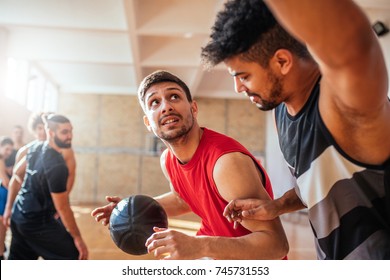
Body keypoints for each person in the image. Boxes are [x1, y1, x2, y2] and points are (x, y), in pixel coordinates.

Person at [201, 0, 390, 259]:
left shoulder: (342, 104)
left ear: (282, 61)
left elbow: (354, 44)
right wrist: (276, 206)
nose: (238, 88)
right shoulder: (282, 111)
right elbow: (317, 185)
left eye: (244, 76)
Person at [91, 70, 288, 260]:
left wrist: (200, 246)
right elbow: (182, 198)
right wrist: (131, 211)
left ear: (193, 108)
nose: (166, 106)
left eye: (174, 97)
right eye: (154, 102)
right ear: (148, 123)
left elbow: (276, 245)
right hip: (215, 253)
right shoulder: (168, 159)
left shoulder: (225, 163)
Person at [3, 114, 88, 260]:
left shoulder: (35, 147)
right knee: (74, 257)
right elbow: (62, 207)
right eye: (64, 132)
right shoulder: (57, 166)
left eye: (71, 131)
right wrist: (78, 238)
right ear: (51, 133)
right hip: (37, 222)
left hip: (19, 217)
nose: (70, 136)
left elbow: (17, 173)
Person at [15, 112, 77, 193]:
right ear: (34, 129)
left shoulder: (66, 151)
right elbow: (17, 175)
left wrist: (62, 198)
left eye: (45, 128)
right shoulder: (26, 151)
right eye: (40, 128)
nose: (43, 132)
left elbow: (71, 175)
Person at [0, 137, 14, 260]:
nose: (8, 152)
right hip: (1, 199)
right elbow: (5, 182)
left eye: (11, 150)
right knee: (1, 228)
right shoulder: (0, 160)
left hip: (3, 199)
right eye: (6, 149)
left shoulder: (3, 161)